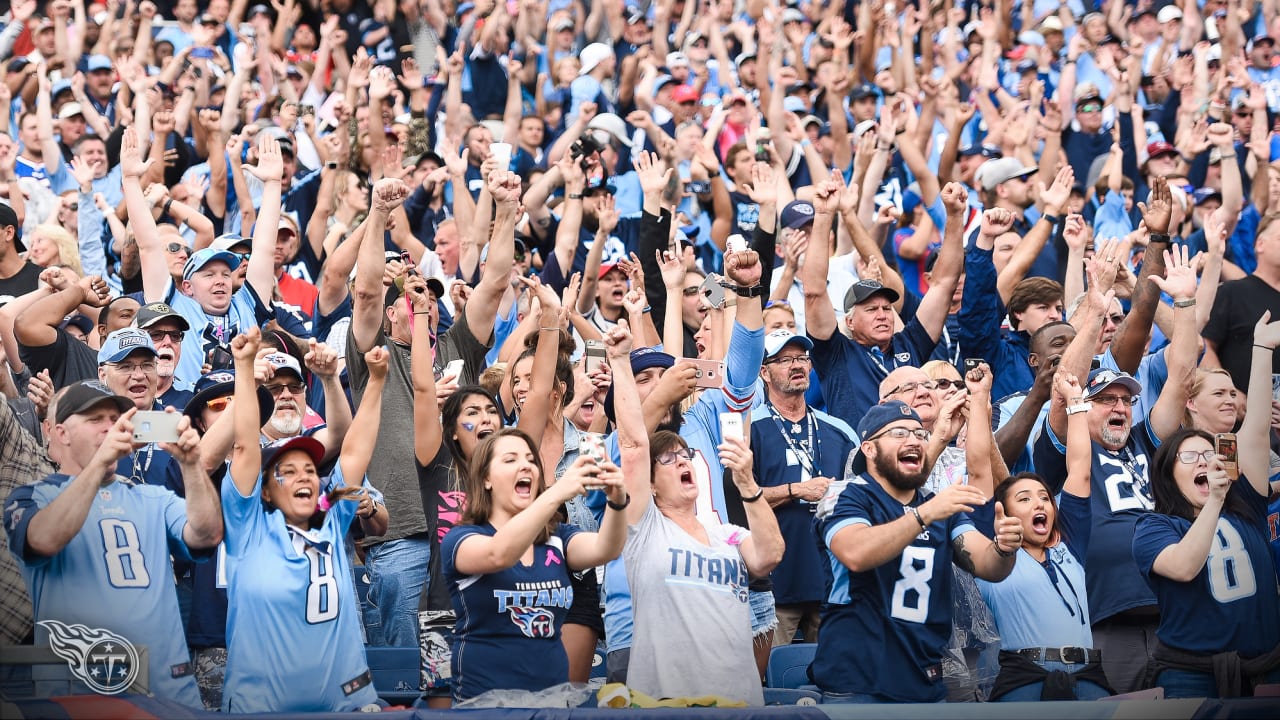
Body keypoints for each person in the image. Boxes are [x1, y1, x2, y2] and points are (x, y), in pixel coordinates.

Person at [4, 380, 222, 707]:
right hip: (79, 699)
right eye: (96, 420)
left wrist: (191, 465)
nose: (111, 428)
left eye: (116, 419)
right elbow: (43, 539)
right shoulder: (32, 496)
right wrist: (96, 466)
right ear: (60, 433)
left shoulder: (152, 496)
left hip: (168, 694)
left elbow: (207, 535)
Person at [613, 318, 784, 705]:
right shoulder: (616, 451)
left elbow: (740, 379)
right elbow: (633, 447)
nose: (660, 383)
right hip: (639, 628)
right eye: (646, 378)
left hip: (728, 638)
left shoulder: (698, 423)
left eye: (665, 374)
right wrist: (626, 366)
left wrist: (746, 292)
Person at [220, 327, 389, 712]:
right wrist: (244, 369)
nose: (304, 478)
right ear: (264, 489)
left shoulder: (330, 514)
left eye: (310, 470)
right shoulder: (247, 526)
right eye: (288, 471)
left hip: (344, 702)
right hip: (261, 706)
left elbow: (357, 448)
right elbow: (246, 444)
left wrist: (377, 381)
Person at [811, 399, 1023, 704]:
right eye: (899, 433)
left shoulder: (938, 505)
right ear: (869, 449)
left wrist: (1004, 548)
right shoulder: (844, 494)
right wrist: (923, 515)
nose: (914, 440)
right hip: (859, 683)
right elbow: (855, 553)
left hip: (926, 681)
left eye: (920, 434)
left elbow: (989, 566)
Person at [1132, 312, 1280, 698]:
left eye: (1208, 454)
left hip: (1266, 669)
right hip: (1191, 676)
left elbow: (1258, 427)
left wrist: (1262, 348)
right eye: (1189, 457)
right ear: (1167, 474)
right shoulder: (1154, 527)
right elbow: (1183, 567)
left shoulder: (1245, 501)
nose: (1203, 461)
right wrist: (1213, 501)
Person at [442, 418, 628, 701]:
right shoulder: (461, 539)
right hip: (484, 705)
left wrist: (617, 501)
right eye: (510, 459)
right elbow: (498, 554)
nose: (526, 465)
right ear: (486, 479)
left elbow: (606, 548)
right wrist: (556, 493)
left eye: (531, 459)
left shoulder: (558, 538)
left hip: (551, 703)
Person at [978, 371, 1113, 702]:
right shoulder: (991, 551)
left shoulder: (1071, 540)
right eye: (1023, 499)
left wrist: (1075, 402)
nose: (1039, 502)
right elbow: (980, 469)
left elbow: (1080, 466)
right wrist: (978, 403)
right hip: (1025, 678)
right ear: (1003, 513)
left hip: (1089, 676)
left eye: (1043, 497)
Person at [750, 329, 858, 646]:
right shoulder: (748, 428)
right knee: (772, 684)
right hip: (773, 582)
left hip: (833, 581)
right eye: (784, 359)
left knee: (834, 680)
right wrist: (796, 490)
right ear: (764, 372)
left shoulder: (840, 431)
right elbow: (738, 502)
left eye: (801, 358)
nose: (797, 365)